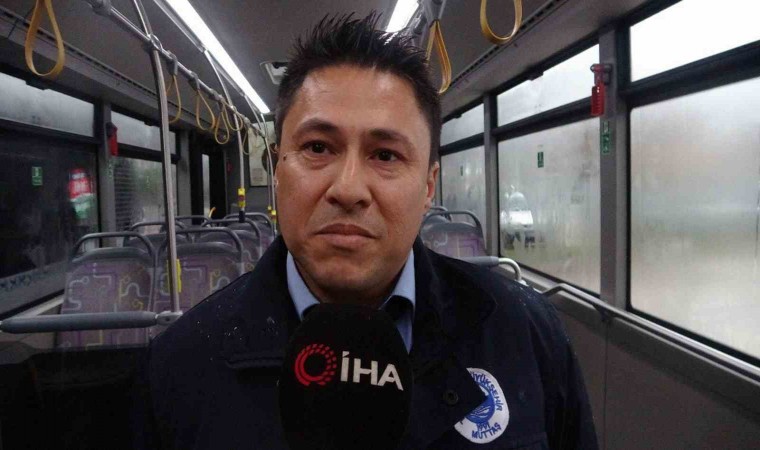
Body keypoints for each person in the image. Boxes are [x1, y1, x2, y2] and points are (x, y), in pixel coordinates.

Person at [134, 13, 598, 449]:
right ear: (277, 169)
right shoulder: (180, 366)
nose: (349, 189)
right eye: (318, 148)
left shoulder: (525, 335)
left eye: (386, 155)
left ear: (429, 186)